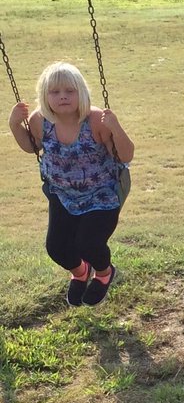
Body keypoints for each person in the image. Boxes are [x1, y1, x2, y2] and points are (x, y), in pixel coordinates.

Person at [7, 62, 133, 307]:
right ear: (45, 96)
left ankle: (105, 273)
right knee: (56, 248)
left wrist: (115, 128)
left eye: (69, 91)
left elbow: (125, 156)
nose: (62, 96)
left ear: (81, 93)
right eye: (54, 92)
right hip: (62, 194)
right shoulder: (39, 120)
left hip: (101, 195)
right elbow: (31, 146)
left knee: (88, 243)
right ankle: (80, 272)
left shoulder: (96, 120)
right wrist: (14, 125)